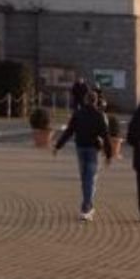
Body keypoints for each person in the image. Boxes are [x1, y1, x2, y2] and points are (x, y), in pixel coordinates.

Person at [53, 87, 112, 220]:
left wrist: (58, 146)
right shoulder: (99, 116)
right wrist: (109, 155)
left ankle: (87, 205)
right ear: (96, 101)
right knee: (90, 179)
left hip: (80, 148)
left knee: (85, 178)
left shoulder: (78, 114)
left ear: (86, 100)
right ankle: (87, 208)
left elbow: (69, 131)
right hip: (93, 149)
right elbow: (106, 136)